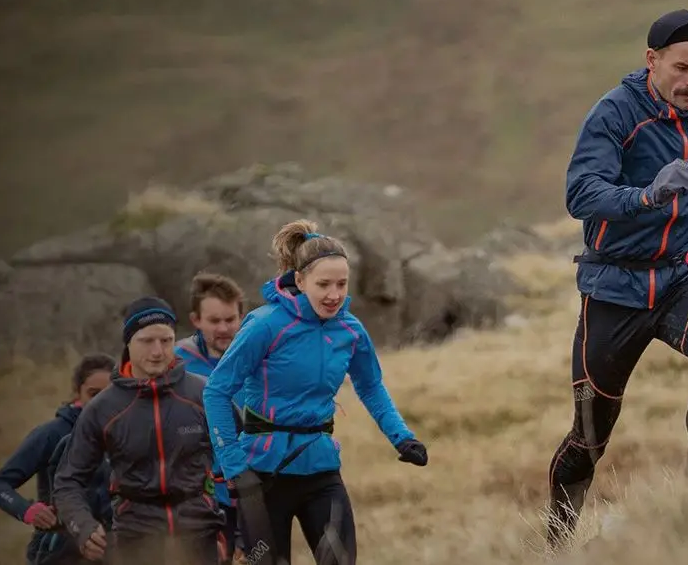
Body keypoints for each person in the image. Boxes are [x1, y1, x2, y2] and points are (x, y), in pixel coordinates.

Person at [547, 8, 688, 548]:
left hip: (678, 281)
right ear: (652, 61)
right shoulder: (615, 114)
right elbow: (581, 195)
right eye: (682, 68)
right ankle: (555, 544)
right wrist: (648, 195)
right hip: (614, 288)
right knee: (590, 436)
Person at [202, 219, 429, 565]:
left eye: (341, 283)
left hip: (321, 469)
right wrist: (233, 466)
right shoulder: (265, 325)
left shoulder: (350, 330)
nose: (334, 295)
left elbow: (370, 386)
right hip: (262, 475)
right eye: (324, 284)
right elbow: (216, 391)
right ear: (300, 279)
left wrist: (402, 437)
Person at [52, 297, 226, 565]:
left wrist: (237, 536)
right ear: (128, 343)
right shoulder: (102, 408)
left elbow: (244, 465)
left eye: (166, 340)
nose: (158, 351)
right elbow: (68, 481)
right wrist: (83, 526)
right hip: (136, 536)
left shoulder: (205, 394)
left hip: (199, 531)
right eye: (147, 341)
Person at [0, 353, 117, 565]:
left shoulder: (127, 432)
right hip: (57, 550)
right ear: (78, 393)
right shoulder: (52, 434)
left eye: (109, 394)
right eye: (93, 394)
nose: (102, 402)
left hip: (111, 549)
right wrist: (27, 511)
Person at [176, 272, 248, 560]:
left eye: (230, 320)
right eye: (214, 321)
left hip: (253, 488)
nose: (223, 328)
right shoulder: (175, 360)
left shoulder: (258, 355)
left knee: (255, 557)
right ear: (196, 320)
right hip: (196, 495)